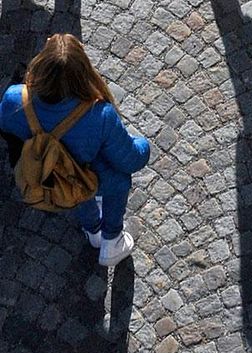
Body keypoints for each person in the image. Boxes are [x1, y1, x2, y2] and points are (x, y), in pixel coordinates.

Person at [0, 33, 150, 267]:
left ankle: (92, 228)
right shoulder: (100, 115)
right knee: (115, 178)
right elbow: (130, 160)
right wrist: (144, 144)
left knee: (69, 169)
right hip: (80, 175)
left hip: (42, 173)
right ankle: (112, 239)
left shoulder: (13, 99)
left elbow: (7, 127)